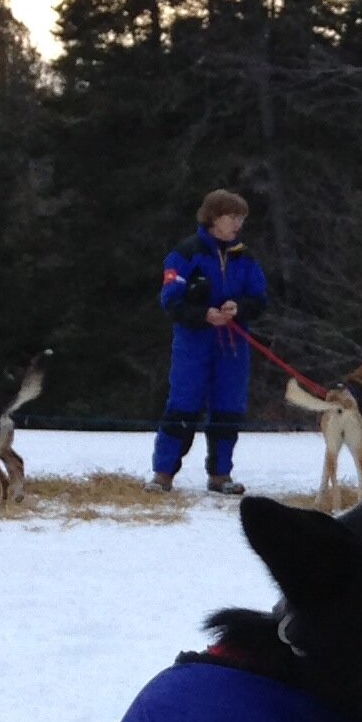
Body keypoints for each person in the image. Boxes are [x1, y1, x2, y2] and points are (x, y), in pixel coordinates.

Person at [152, 190, 269, 495]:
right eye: (233, 218)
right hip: (194, 342)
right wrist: (203, 314)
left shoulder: (245, 256)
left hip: (232, 346)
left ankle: (220, 474)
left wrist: (238, 308)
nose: (237, 225)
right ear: (214, 217)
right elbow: (170, 301)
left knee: (228, 407)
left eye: (241, 219)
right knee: (183, 405)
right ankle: (163, 473)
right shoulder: (185, 253)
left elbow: (259, 298)